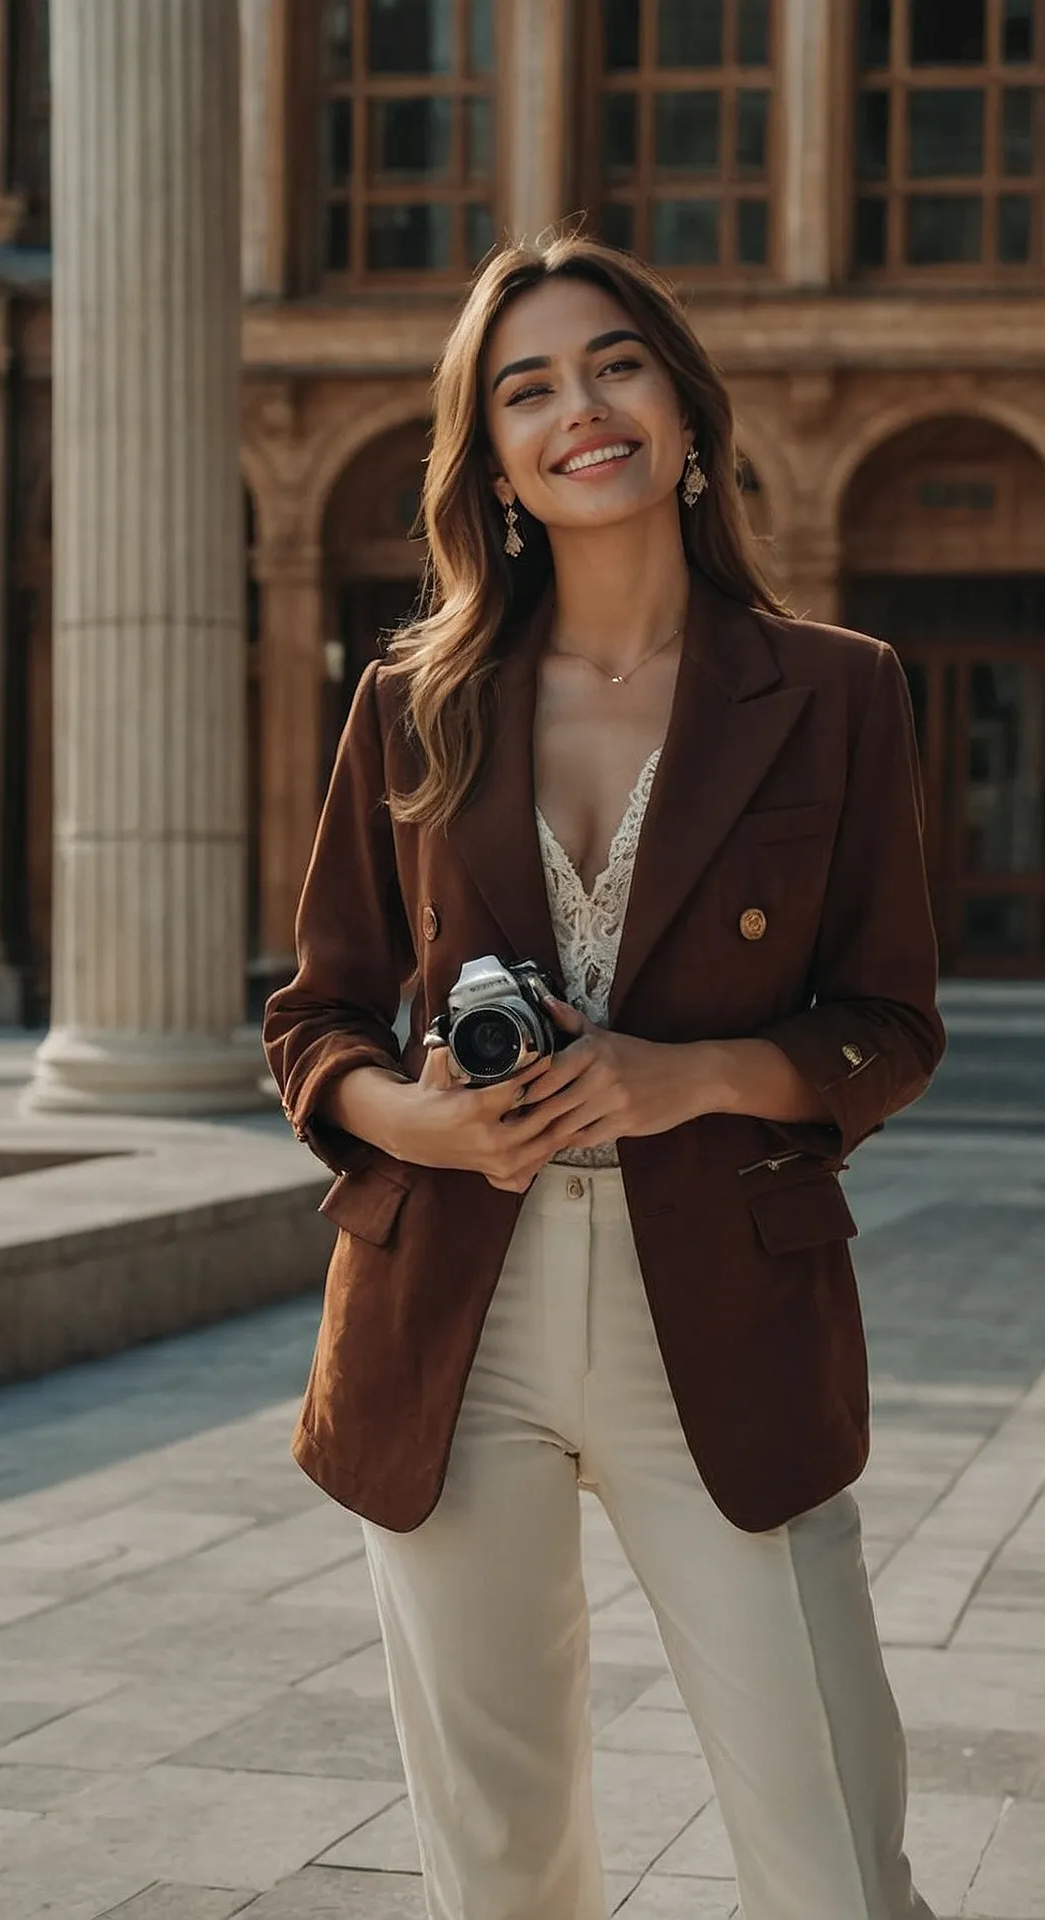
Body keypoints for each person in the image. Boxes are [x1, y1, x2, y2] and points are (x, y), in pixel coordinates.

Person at [263, 232, 945, 1920]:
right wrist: (417, 1114)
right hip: (446, 1318)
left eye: (616, 363)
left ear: (687, 415)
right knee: (499, 1866)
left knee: (831, 1856)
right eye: (529, 386)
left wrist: (687, 1076)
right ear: (491, 460)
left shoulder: (840, 695)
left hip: (720, 1304)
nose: (583, 407)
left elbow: (893, 1023)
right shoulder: (412, 704)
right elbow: (313, 1018)